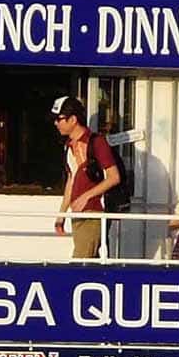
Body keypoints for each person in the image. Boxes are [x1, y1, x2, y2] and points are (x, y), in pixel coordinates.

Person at [52, 95, 122, 259]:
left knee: (80, 262)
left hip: (93, 212)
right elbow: (71, 180)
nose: (56, 123)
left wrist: (86, 196)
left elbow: (114, 177)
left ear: (73, 119)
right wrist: (61, 215)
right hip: (78, 213)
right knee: (90, 264)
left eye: (59, 119)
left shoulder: (97, 142)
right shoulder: (68, 146)